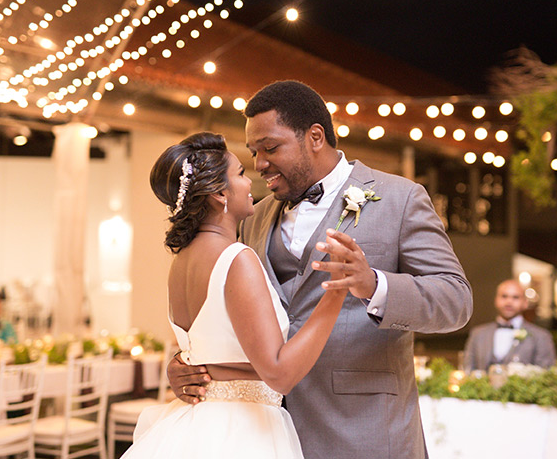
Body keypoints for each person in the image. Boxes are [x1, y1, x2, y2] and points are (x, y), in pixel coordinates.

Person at [168, 80, 473, 459]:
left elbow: (456, 300)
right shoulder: (254, 217)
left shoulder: (401, 199)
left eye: (271, 147)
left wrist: (374, 285)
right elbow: (230, 311)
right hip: (268, 435)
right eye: (253, 151)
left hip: (366, 432)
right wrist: (187, 364)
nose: (259, 163)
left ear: (315, 136)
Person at [121, 132, 348, 458]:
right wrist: (336, 291)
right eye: (240, 174)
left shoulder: (182, 260)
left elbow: (211, 357)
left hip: (197, 423)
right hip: (240, 432)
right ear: (219, 194)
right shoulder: (236, 258)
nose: (249, 182)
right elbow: (280, 373)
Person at [463, 279, 556, 372]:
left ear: (525, 303)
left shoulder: (541, 336)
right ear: (496, 300)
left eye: (515, 297)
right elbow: (468, 370)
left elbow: (546, 374)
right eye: (504, 296)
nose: (509, 302)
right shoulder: (478, 334)